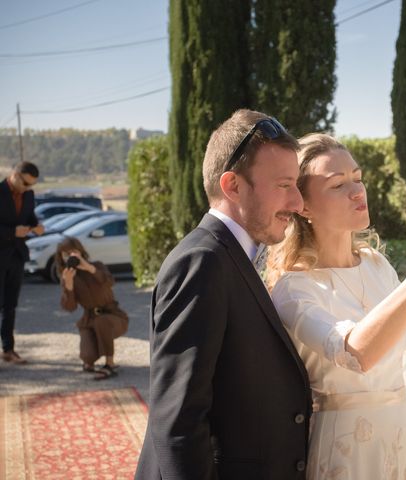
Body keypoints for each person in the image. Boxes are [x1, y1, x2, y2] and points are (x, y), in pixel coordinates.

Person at [268, 133, 406, 479]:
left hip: (399, 438)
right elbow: (358, 354)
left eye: (357, 178)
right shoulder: (294, 290)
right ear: (304, 205)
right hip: (344, 450)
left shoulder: (376, 266)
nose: (357, 192)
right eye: (338, 184)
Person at [135, 110, 313, 480]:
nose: (298, 203)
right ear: (233, 185)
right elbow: (179, 421)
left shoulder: (237, 254)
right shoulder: (201, 263)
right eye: (284, 185)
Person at [56, 237, 128, 380]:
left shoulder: (97, 266)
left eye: (72, 252)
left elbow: (110, 281)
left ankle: (110, 364)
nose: (69, 257)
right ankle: (91, 360)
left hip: (114, 316)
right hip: (89, 320)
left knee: (102, 322)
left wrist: (89, 268)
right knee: (87, 357)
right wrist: (69, 285)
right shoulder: (68, 277)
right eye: (65, 254)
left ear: (80, 252)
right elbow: (70, 307)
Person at [0, 161, 44, 364]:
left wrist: (36, 226)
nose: (28, 189)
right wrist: (12, 233)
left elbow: (29, 217)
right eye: (26, 184)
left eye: (32, 186)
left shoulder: (29, 195)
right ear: (15, 175)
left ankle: (8, 349)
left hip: (17, 256)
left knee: (10, 305)